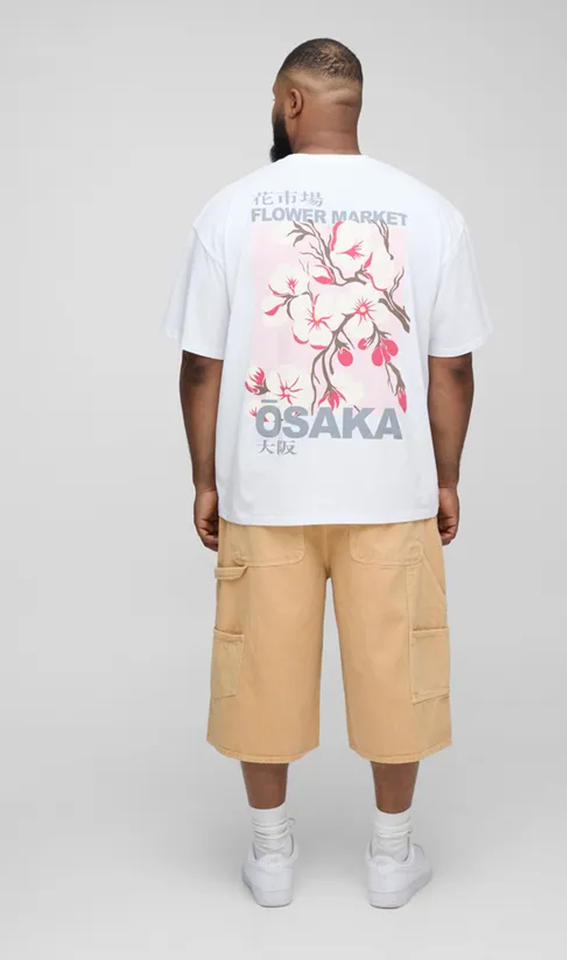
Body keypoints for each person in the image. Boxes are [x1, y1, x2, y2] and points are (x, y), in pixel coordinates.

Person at [164, 37, 491, 908]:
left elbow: (200, 366)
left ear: (291, 103)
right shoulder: (430, 212)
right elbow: (453, 368)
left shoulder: (229, 211)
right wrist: (446, 476)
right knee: (398, 669)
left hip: (267, 491)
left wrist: (205, 478)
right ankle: (391, 857)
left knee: (260, 672)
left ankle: (271, 856)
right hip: (390, 490)